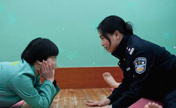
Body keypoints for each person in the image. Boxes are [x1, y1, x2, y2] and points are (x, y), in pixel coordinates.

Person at [86, 15, 176, 108]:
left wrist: (112, 107)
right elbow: (128, 83)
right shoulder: (127, 50)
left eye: (102, 38)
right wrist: (108, 101)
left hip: (171, 87)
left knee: (170, 102)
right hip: (162, 87)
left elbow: (138, 89)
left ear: (117, 34)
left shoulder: (139, 50)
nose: (102, 43)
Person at [0, 37, 60, 108]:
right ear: (40, 60)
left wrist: (50, 81)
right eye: (53, 58)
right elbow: (42, 105)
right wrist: (49, 80)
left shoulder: (31, 71)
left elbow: (42, 97)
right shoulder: (21, 76)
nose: (55, 63)